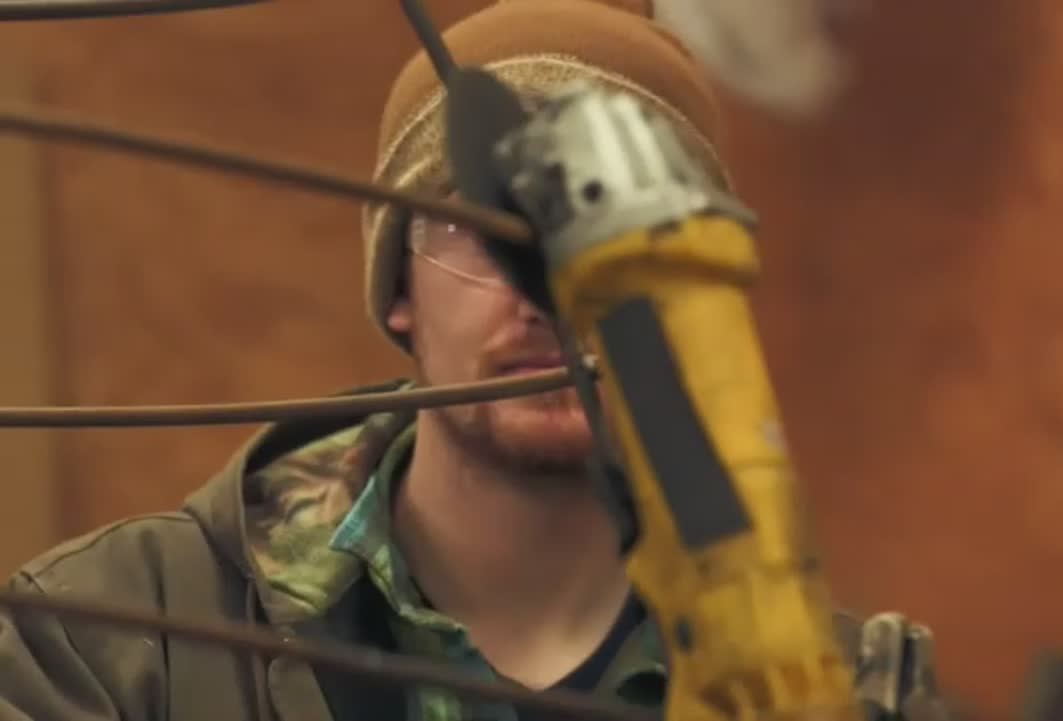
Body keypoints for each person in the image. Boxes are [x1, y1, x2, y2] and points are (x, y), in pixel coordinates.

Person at [0, 2, 950, 720]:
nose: (552, 291)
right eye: (487, 227)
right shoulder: (106, 643)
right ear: (400, 292)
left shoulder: (842, 691)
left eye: (611, 236)